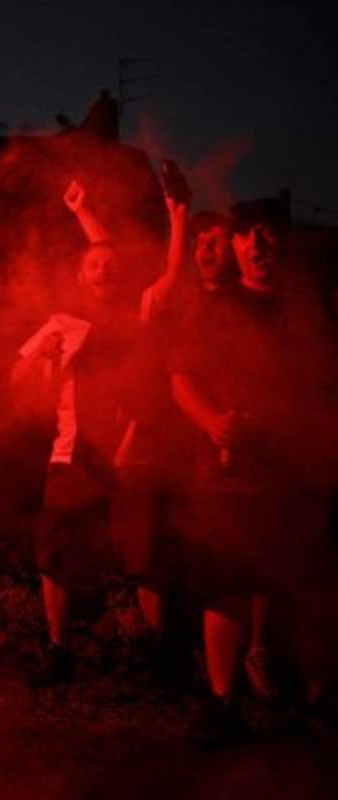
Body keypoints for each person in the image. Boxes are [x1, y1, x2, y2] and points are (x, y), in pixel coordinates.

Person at [170, 199, 338, 743]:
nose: (258, 243)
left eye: (268, 233)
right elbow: (180, 377)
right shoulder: (215, 309)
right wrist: (211, 422)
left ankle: (319, 701)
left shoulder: (313, 307)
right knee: (225, 585)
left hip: (298, 470)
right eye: (248, 235)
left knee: (308, 585)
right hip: (230, 471)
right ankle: (222, 702)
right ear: (237, 246)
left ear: (283, 242)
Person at [11, 178, 187, 688]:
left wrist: (177, 220)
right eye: (93, 266)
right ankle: (58, 648)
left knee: (144, 556)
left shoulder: (139, 313)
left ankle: (160, 659)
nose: (104, 269)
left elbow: (170, 276)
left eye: (111, 266)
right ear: (80, 278)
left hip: (133, 454)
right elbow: (14, 377)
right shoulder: (62, 323)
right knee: (55, 551)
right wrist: (39, 361)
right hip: (73, 454)